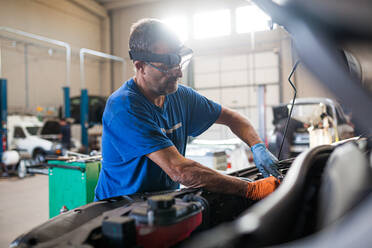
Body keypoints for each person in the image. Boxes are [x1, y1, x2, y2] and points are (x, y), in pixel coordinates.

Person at [94, 18, 281, 201]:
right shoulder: (124, 107)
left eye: (179, 63)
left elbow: (232, 118)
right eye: (167, 66)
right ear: (140, 66)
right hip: (118, 210)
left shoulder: (180, 95)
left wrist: (257, 146)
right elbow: (180, 170)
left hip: (160, 203)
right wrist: (250, 189)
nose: (179, 73)